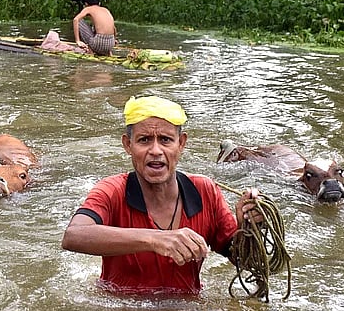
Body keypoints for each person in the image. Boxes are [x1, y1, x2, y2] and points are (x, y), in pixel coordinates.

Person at [61, 95, 261, 295]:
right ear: (128, 145)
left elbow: (245, 261)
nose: (155, 150)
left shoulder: (205, 190)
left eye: (165, 140)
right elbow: (73, 236)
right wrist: (156, 240)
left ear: (181, 143)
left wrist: (247, 227)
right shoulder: (112, 190)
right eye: (144, 140)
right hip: (123, 308)